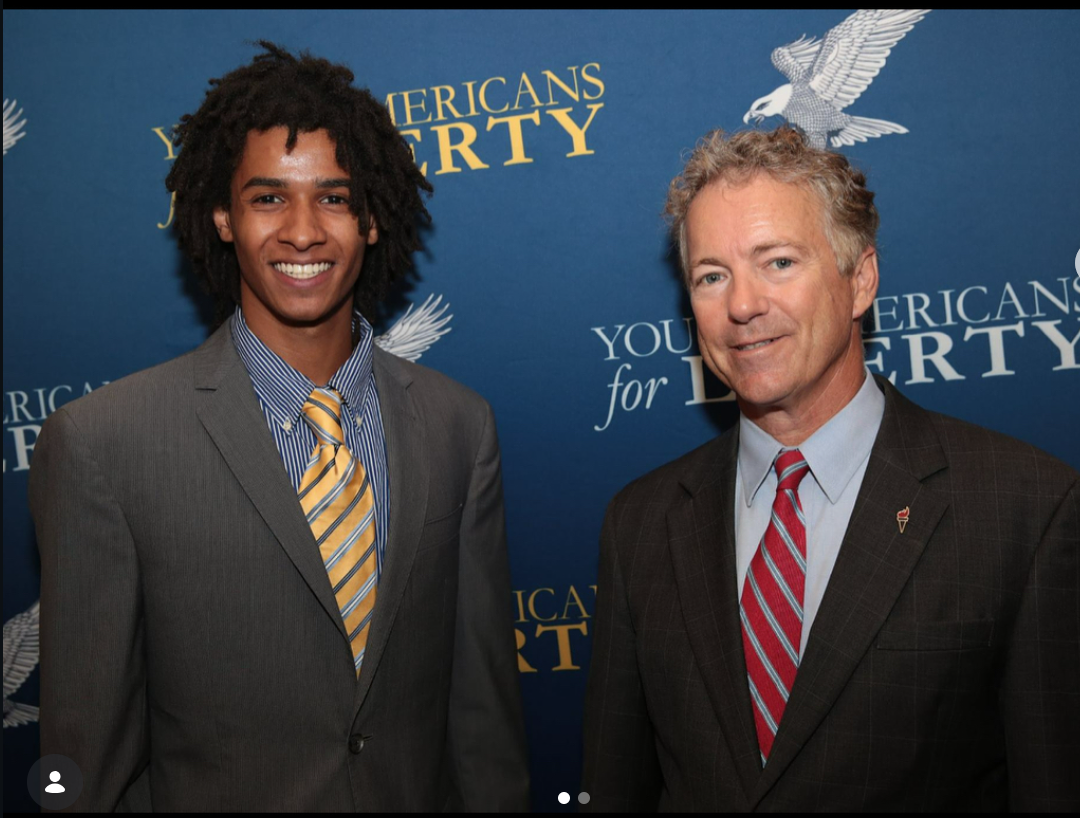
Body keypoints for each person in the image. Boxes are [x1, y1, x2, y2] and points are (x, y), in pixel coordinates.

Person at [31, 43, 529, 812]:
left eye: (334, 197)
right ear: (222, 216)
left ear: (371, 218)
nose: (303, 232)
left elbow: (483, 727)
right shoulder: (104, 444)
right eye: (268, 199)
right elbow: (85, 761)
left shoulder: (459, 426)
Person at [581, 126, 1079, 811]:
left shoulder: (1025, 508)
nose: (742, 305)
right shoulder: (640, 522)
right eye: (711, 276)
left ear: (860, 280)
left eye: (778, 262)